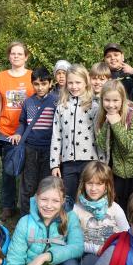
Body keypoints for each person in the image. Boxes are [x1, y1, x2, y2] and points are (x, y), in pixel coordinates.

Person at [0, 41, 34, 221]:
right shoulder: (1, 76)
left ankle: (29, 204)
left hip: (28, 130)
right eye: (12, 53)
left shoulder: (32, 76)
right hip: (6, 129)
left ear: (26, 57)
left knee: (29, 169)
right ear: (9, 56)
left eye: (19, 54)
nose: (15, 56)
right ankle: (8, 205)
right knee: (8, 168)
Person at [50, 64, 104, 205]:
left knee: (90, 198)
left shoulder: (94, 106)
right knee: (69, 199)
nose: (74, 86)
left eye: (78, 82)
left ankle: (92, 226)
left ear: (86, 82)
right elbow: (56, 136)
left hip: (90, 161)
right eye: (71, 83)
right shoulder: (62, 107)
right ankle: (69, 225)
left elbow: (100, 136)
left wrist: (103, 163)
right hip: (69, 163)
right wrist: (55, 164)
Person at [96, 80, 133, 208]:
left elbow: (130, 146)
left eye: (115, 100)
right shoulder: (106, 115)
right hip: (119, 171)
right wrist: (107, 123)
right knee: (119, 206)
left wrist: (116, 124)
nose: (111, 105)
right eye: (107, 100)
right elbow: (101, 144)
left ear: (122, 99)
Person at [9, 67, 58, 216]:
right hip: (30, 149)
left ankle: (44, 216)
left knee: (45, 185)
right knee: (28, 185)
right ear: (32, 84)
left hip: (49, 149)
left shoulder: (56, 101)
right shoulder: (28, 102)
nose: (40, 87)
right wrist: (18, 134)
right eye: (36, 84)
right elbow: (23, 122)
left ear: (50, 83)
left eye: (43, 84)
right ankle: (26, 217)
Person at [73, 161, 129, 265]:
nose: (93, 188)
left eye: (99, 184)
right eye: (90, 183)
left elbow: (127, 235)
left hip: (113, 251)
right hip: (89, 252)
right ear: (83, 184)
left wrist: (111, 249)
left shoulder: (115, 209)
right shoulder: (77, 209)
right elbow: (73, 241)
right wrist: (95, 249)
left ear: (107, 185)